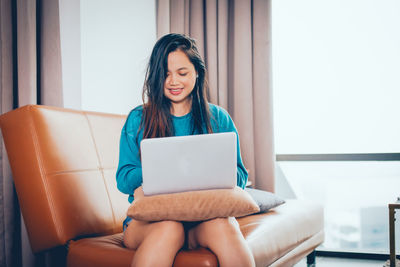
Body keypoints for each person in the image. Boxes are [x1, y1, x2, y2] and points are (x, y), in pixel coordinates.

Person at [116, 33, 255, 267]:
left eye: (182, 73)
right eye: (165, 74)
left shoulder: (218, 118)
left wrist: (202, 170)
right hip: (151, 222)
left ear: (197, 73)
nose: (173, 82)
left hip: (203, 219)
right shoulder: (138, 118)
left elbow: (240, 176)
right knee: (169, 228)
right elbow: (123, 179)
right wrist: (162, 168)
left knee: (225, 226)